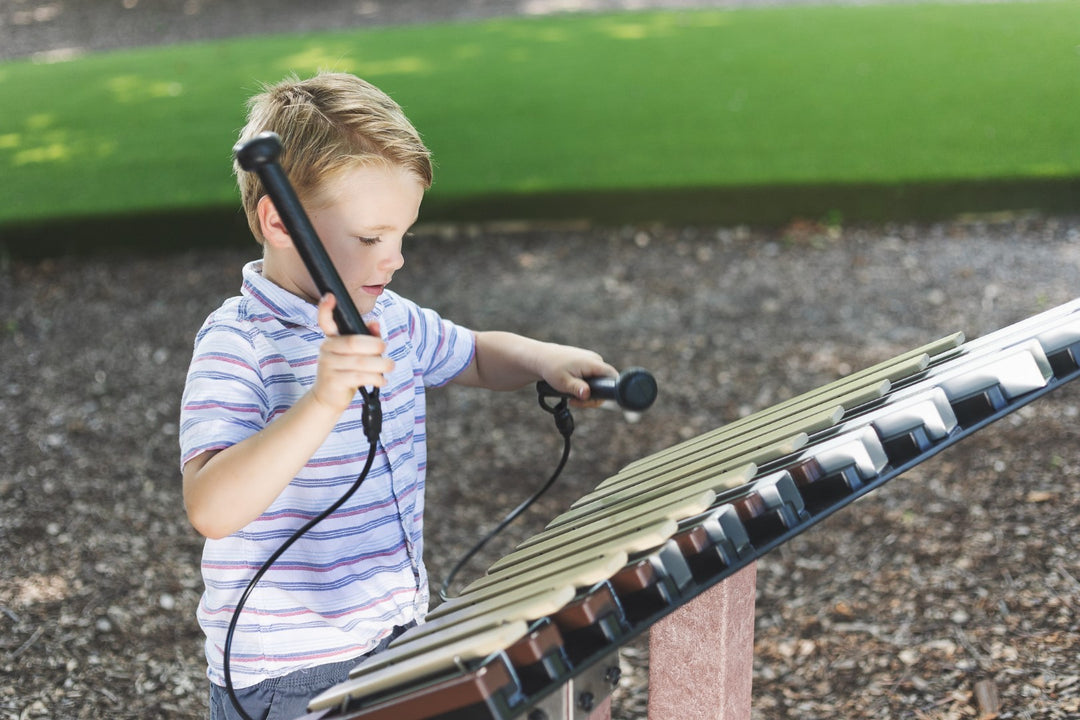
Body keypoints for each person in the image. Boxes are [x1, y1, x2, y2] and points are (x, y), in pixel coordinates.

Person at [178, 72, 617, 720]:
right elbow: (212, 507)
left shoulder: (393, 318)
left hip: (395, 638)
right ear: (279, 221)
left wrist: (542, 359)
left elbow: (471, 354)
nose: (396, 259)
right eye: (370, 238)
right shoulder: (239, 344)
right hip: (290, 672)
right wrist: (323, 400)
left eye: (402, 235)